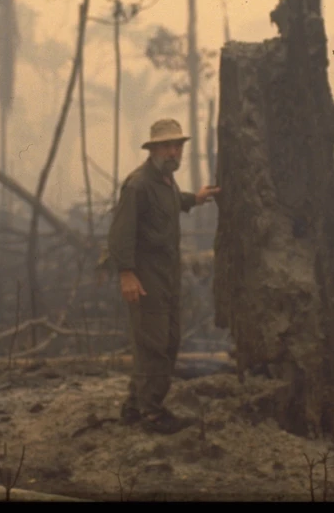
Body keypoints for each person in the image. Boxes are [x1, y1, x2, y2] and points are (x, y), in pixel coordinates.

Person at [107, 118, 220, 434]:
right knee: (153, 345)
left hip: (167, 276)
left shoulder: (165, 183)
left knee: (165, 342)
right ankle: (151, 413)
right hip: (145, 278)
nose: (174, 152)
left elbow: (172, 203)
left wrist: (194, 199)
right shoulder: (138, 185)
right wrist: (127, 274)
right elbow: (120, 235)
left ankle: (134, 407)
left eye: (178, 146)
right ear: (153, 149)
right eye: (167, 146)